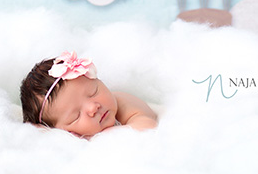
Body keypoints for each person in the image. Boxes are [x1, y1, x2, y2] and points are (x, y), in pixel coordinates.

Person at [20, 50, 158, 138]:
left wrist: (109, 135)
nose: (93, 108)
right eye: (76, 115)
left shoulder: (123, 104)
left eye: (93, 92)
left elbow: (148, 126)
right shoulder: (70, 138)